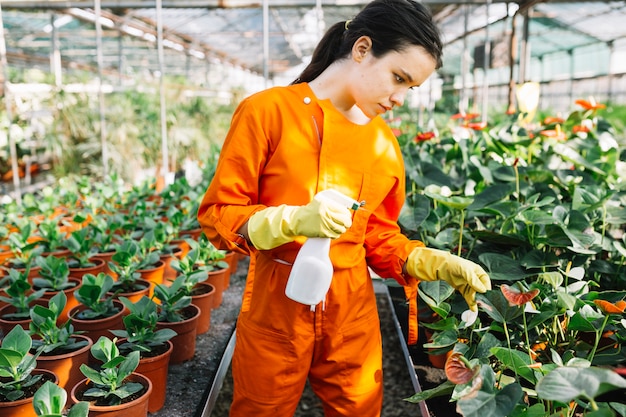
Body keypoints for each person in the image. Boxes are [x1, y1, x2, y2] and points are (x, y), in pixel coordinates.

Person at [197, 0, 491, 415]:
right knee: (260, 408)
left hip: (352, 306)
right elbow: (219, 213)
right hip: (276, 302)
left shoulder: (383, 143)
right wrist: (291, 220)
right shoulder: (267, 113)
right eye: (398, 78)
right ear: (361, 49)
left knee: (360, 408)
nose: (400, 97)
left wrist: (424, 259)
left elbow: (376, 232)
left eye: (411, 87)